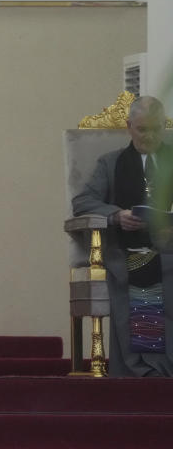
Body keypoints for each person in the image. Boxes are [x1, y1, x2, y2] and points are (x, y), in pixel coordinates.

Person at [72, 95, 173, 376]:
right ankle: (143, 370)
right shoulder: (110, 163)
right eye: (142, 129)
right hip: (127, 253)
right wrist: (116, 215)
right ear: (129, 126)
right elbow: (82, 202)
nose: (150, 135)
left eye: (156, 128)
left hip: (170, 252)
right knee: (139, 269)